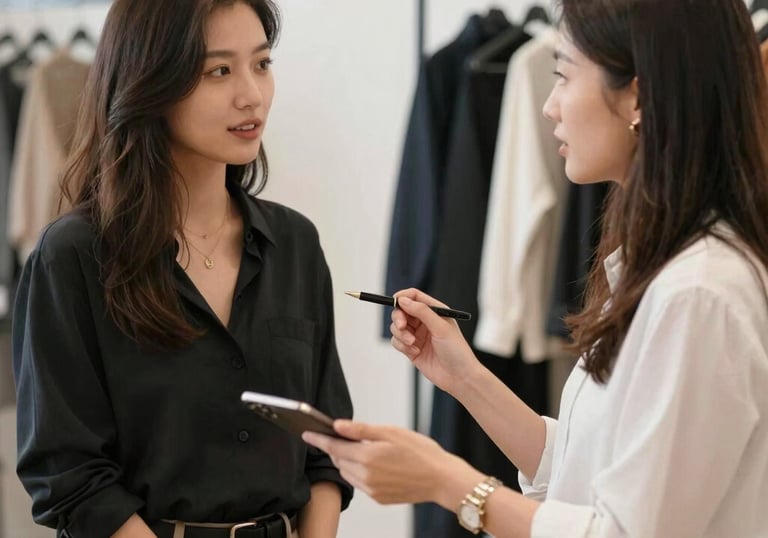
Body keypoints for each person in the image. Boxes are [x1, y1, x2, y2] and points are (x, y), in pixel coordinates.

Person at [304, 0, 768, 536]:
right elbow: (578, 467)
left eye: (564, 76)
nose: (549, 106)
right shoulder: (662, 271)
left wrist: (447, 482)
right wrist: (466, 377)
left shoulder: (699, 295)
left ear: (638, 96)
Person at [12, 1, 353, 537]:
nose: (252, 95)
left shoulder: (295, 244)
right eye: (218, 71)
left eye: (261, 64)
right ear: (150, 82)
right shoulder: (73, 256)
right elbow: (68, 474)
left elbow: (329, 444)